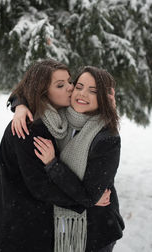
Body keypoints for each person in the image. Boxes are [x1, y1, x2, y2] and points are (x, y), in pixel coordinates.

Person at [0, 60, 111, 252]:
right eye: (60, 85)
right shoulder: (27, 128)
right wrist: (86, 200)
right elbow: (41, 187)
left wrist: (19, 103)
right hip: (16, 233)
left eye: (69, 81)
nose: (70, 88)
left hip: (36, 229)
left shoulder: (59, 122)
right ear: (42, 93)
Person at [9, 64, 125, 252]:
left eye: (93, 91)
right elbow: (31, 89)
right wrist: (20, 106)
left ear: (103, 97)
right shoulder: (57, 118)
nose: (82, 94)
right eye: (79, 86)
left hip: (94, 232)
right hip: (56, 229)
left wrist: (53, 164)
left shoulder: (107, 138)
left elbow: (90, 195)